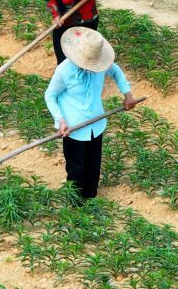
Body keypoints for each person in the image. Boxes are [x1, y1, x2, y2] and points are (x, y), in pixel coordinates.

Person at [44, 27, 142, 202]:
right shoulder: (64, 71)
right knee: (76, 168)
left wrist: (128, 95)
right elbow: (50, 95)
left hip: (96, 124)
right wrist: (60, 120)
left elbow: (116, 71)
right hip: (74, 129)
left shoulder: (101, 64)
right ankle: (75, 205)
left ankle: (90, 199)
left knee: (93, 165)